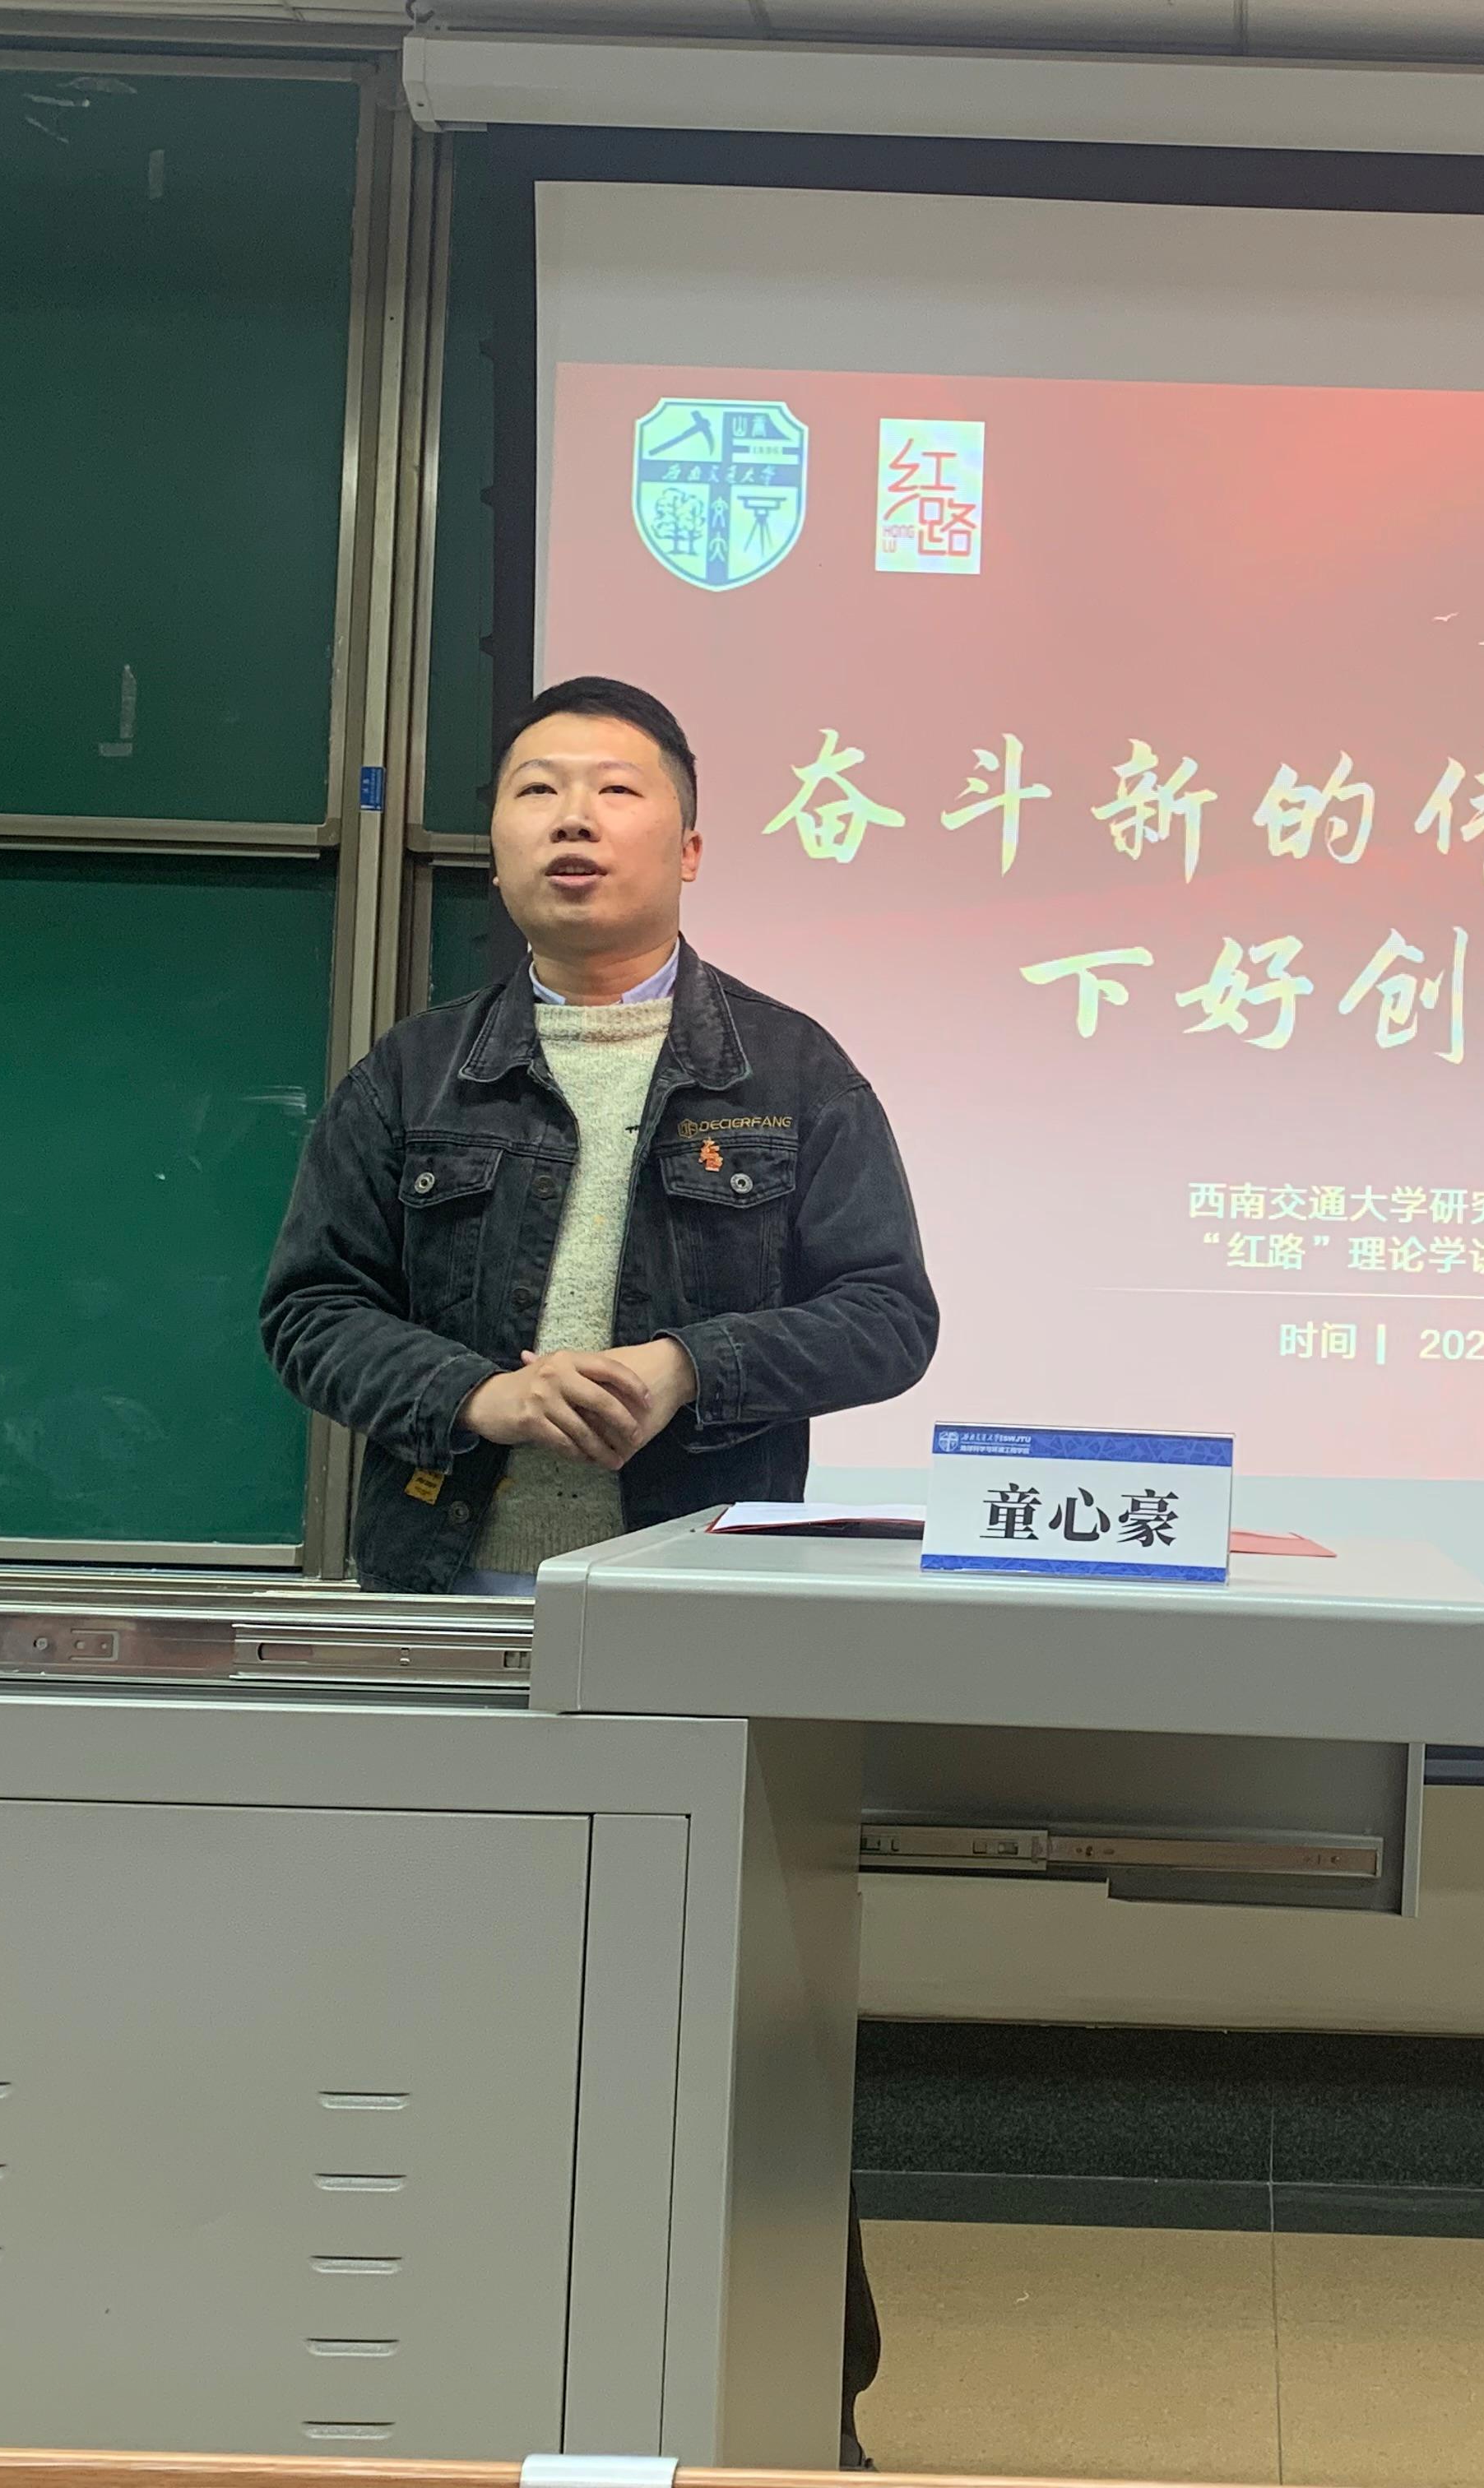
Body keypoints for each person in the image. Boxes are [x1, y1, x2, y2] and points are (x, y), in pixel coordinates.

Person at [259, 674, 930, 2467]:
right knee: (442, 2016)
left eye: (616, 791)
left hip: (702, 1626)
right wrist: (473, 1392)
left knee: (735, 2030)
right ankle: (464, 2388)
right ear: (494, 846)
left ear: (690, 847)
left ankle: (792, 2409)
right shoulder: (413, 1077)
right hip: (454, 1622)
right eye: (537, 788)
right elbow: (307, 1310)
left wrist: (698, 1368)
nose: (573, 818)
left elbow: (890, 1315)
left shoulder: (790, 1070)